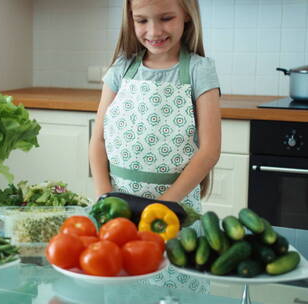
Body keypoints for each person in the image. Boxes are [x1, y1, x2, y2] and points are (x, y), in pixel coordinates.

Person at [89, 0, 220, 293]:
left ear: (187, 15)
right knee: (123, 287)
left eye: (165, 18)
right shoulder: (121, 69)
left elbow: (210, 150)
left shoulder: (199, 70)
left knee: (172, 290)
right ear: (130, 20)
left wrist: (164, 207)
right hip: (119, 212)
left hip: (174, 214)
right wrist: (103, 199)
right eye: (142, 21)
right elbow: (98, 140)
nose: (154, 31)